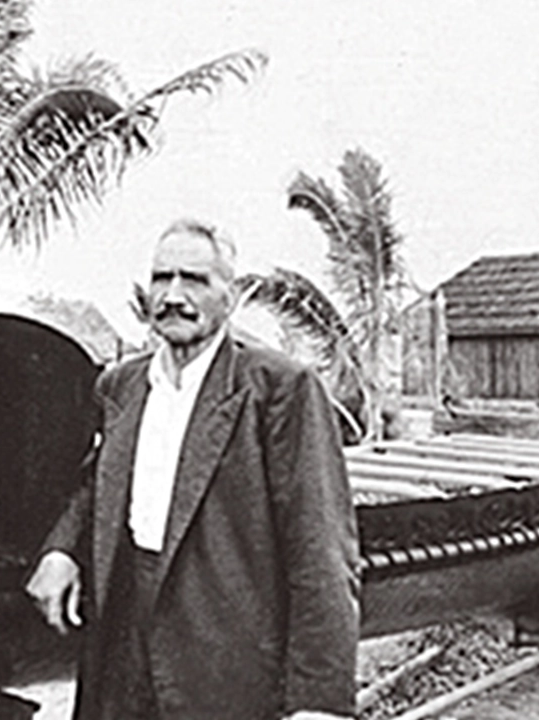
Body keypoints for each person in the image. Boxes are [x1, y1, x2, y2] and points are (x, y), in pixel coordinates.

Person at [25, 220, 360, 720]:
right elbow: (100, 482)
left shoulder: (279, 390)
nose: (173, 296)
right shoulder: (122, 385)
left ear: (231, 295)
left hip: (224, 670)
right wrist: (61, 550)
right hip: (120, 655)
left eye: (195, 280)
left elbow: (321, 551)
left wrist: (319, 706)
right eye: (162, 278)